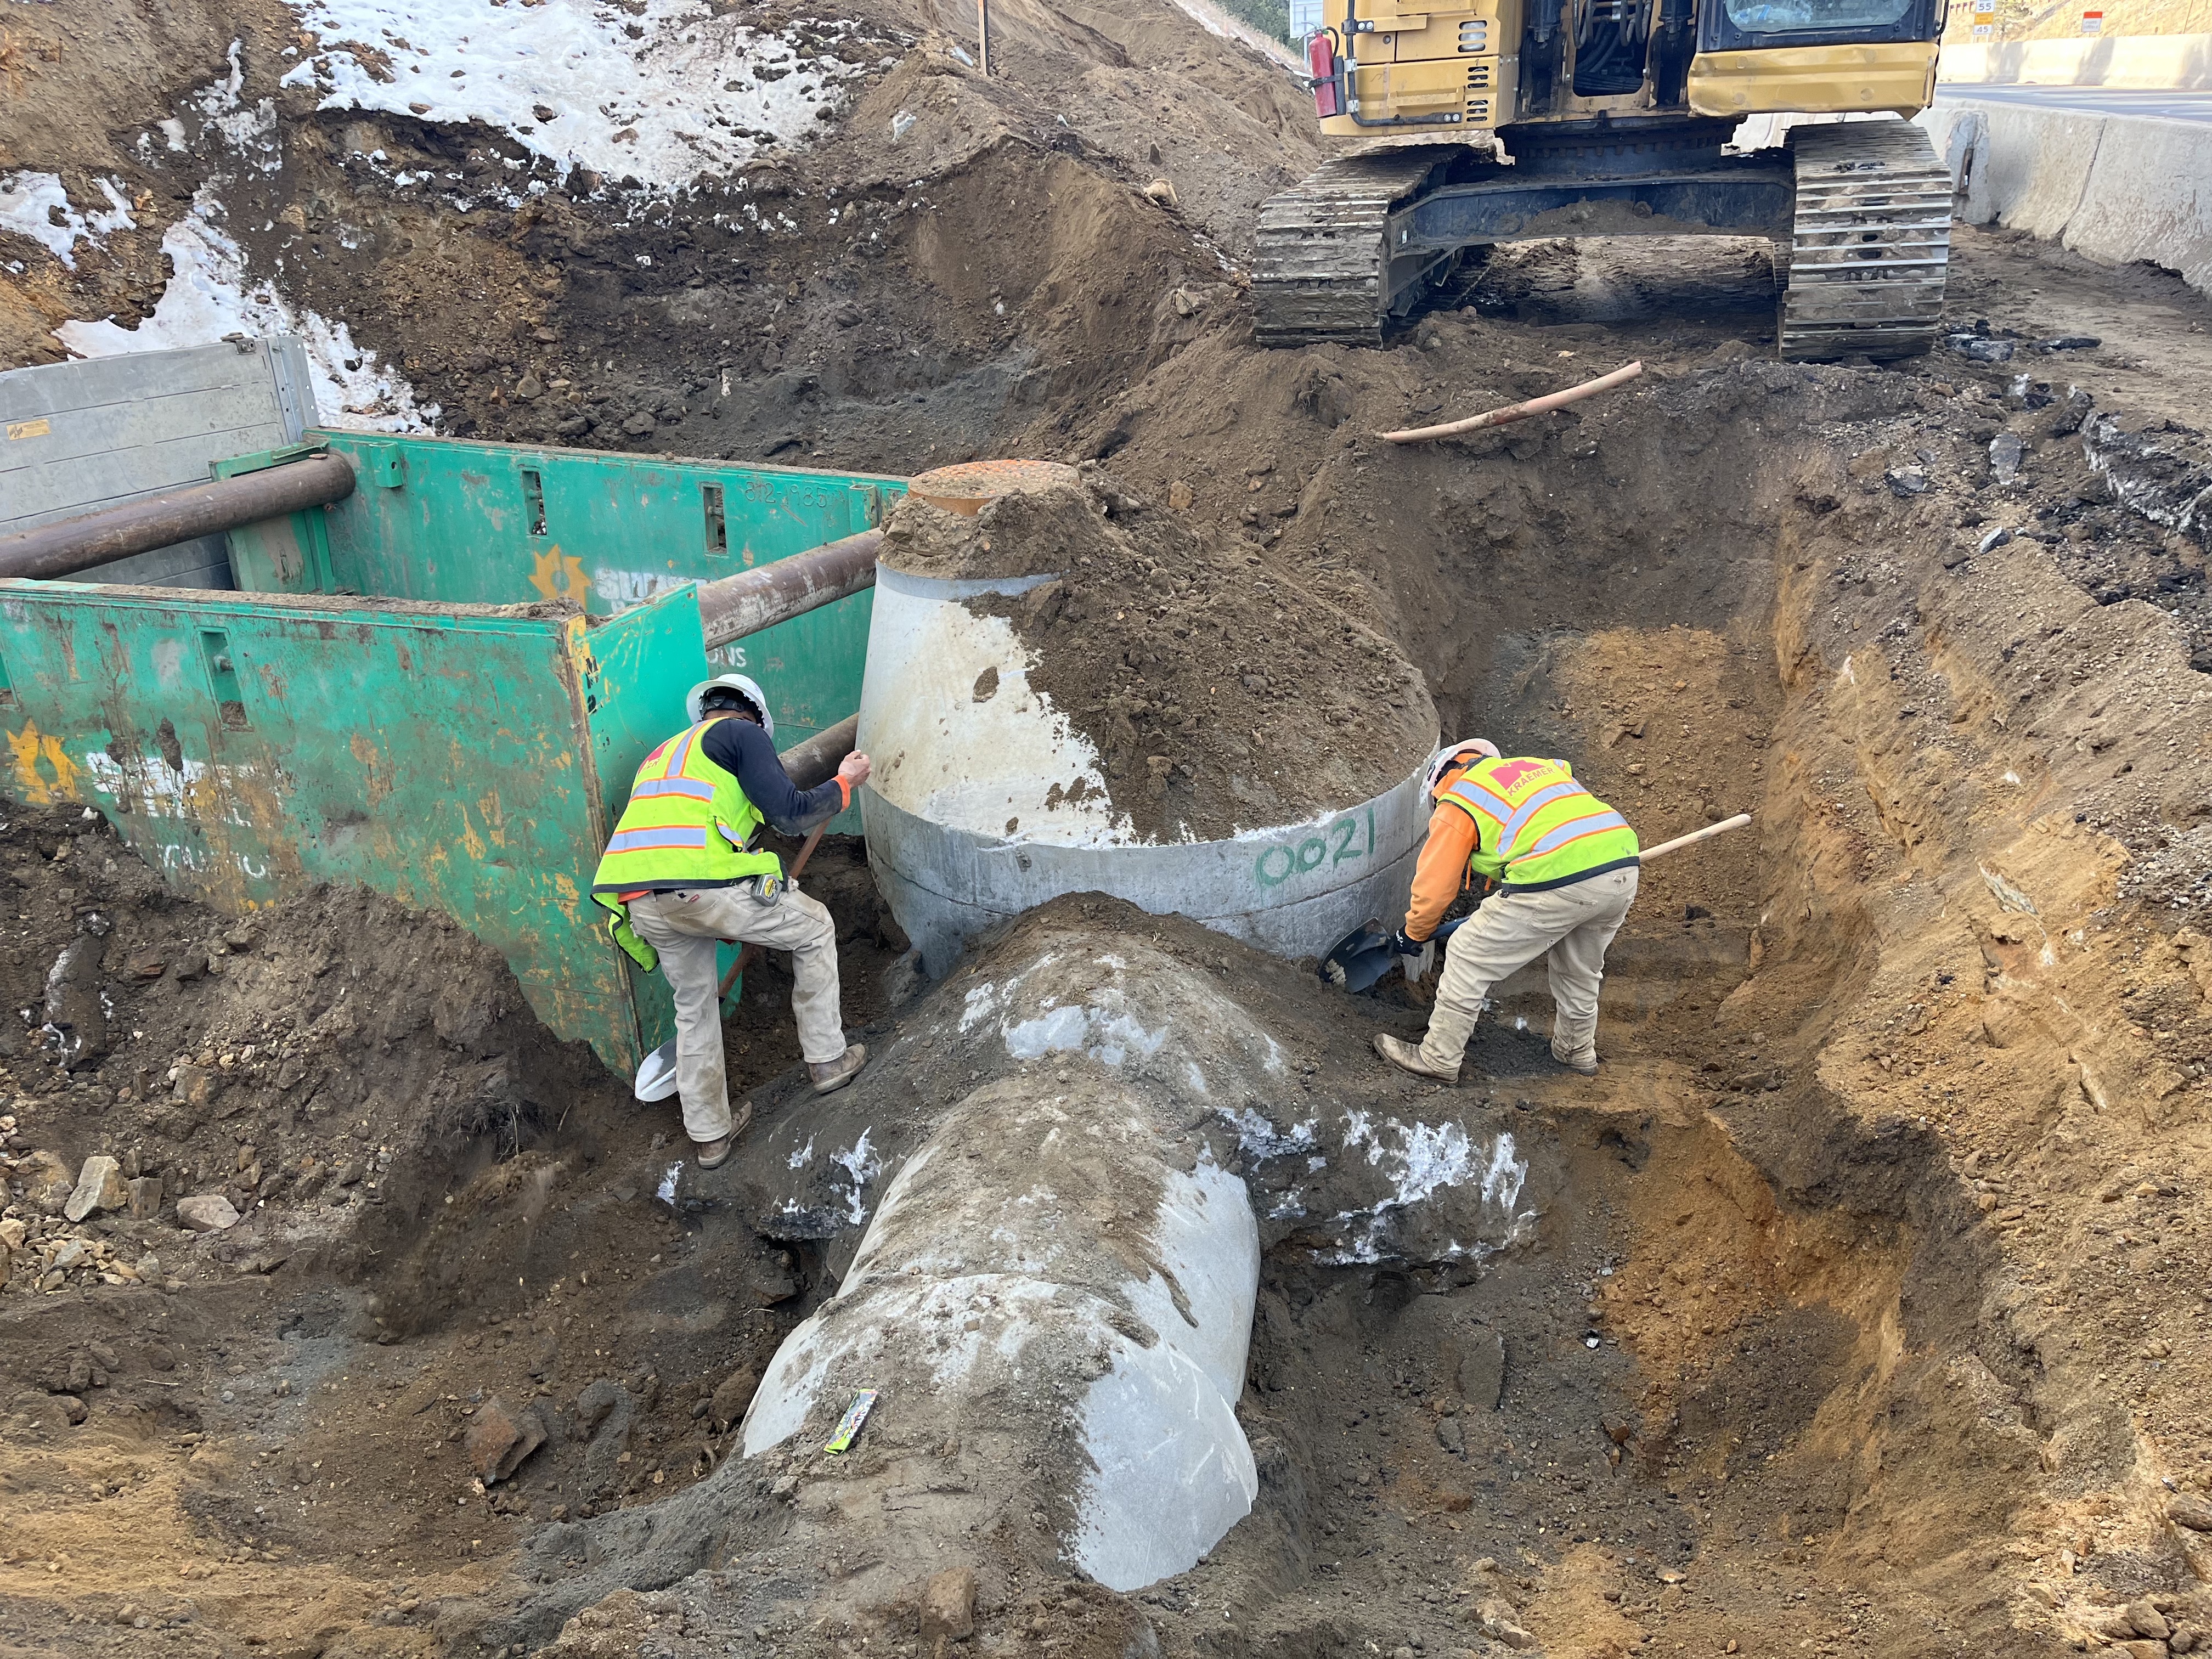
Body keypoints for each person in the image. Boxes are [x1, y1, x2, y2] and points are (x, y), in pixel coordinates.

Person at [592, 673, 871, 1169]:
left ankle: (711, 1138)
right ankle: (828, 1059)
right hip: (699, 886)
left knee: (694, 1007)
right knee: (815, 927)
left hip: (640, 900)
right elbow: (788, 815)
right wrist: (843, 785)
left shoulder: (662, 755)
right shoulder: (743, 736)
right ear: (756, 717)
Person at [1374, 740, 1640, 1084]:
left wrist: (1414, 933)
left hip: (1558, 871)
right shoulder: (1537, 769)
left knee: (1467, 954)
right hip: (1620, 863)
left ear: (1440, 781)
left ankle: (1438, 1058)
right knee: (1580, 969)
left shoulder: (1458, 800)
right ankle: (1576, 1051)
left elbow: (1434, 887)